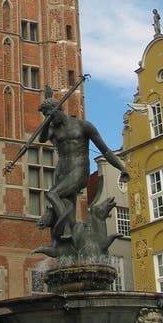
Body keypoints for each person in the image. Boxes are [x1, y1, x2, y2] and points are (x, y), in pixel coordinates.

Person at [37, 94, 130, 245]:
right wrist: (47, 121)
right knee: (67, 205)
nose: (50, 118)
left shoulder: (83, 126)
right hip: (61, 170)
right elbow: (41, 138)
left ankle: (69, 229)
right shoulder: (52, 128)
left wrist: (121, 168)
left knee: (53, 194)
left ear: (59, 109)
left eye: (50, 114)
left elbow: (105, 150)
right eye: (45, 115)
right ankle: (75, 241)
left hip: (79, 168)